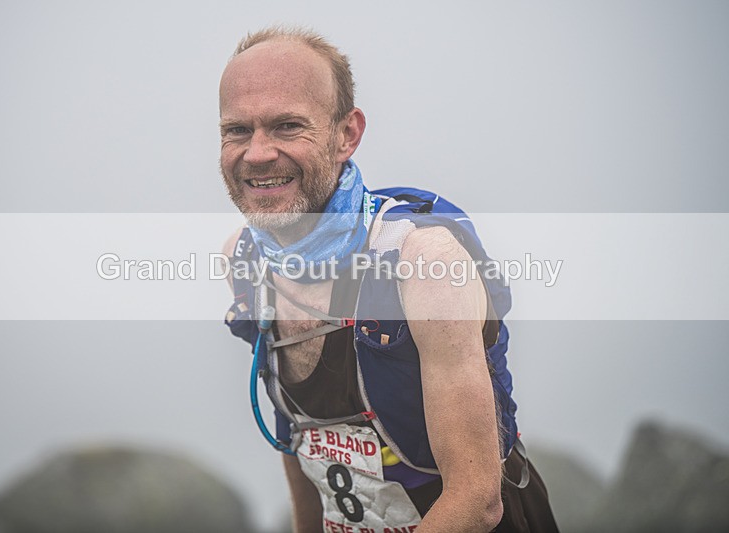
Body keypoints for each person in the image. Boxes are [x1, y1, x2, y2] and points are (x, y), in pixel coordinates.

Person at [219, 27, 558, 533]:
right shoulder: (244, 258)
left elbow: (476, 500)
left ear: (346, 134)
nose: (258, 153)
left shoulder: (418, 258)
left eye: (288, 126)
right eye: (237, 130)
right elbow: (303, 440)